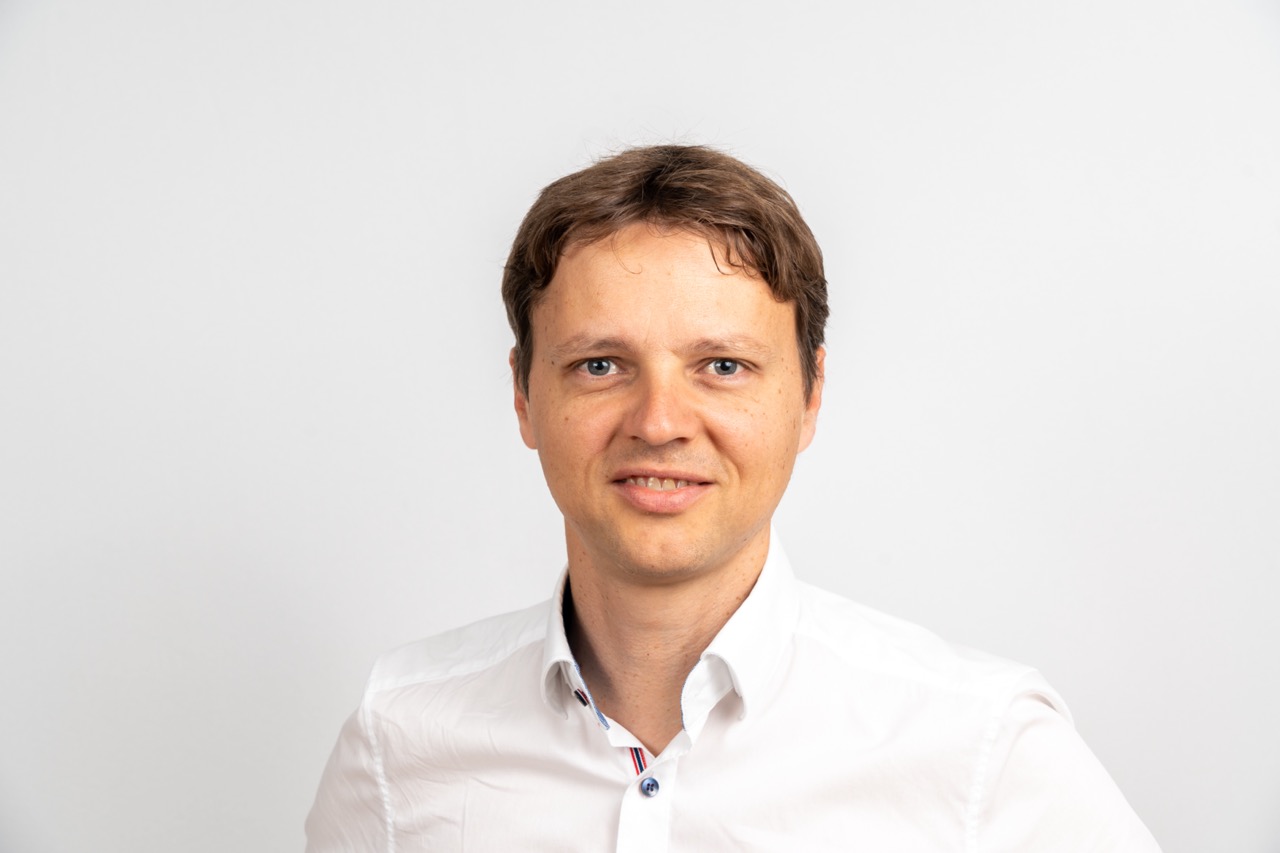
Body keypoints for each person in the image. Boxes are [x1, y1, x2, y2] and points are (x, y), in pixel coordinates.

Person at [305, 145, 1160, 851]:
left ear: (810, 396)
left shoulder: (981, 752)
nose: (659, 422)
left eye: (722, 366)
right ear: (525, 397)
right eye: (600, 364)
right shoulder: (399, 740)